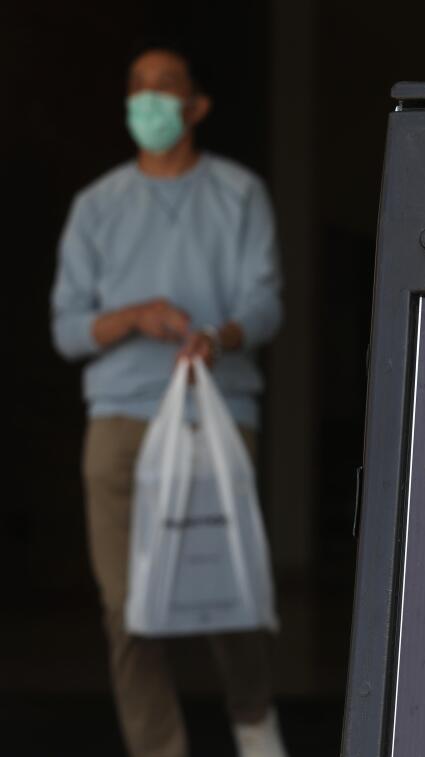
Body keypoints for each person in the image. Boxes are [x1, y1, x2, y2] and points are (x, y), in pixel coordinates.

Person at [50, 40, 287, 757]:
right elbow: (66, 329)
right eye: (137, 88)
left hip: (212, 419)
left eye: (163, 88)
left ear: (196, 106)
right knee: (128, 609)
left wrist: (218, 337)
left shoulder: (240, 193)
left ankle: (256, 729)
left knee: (227, 589)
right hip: (119, 422)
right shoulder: (96, 206)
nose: (147, 101)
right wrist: (131, 316)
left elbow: (267, 302)